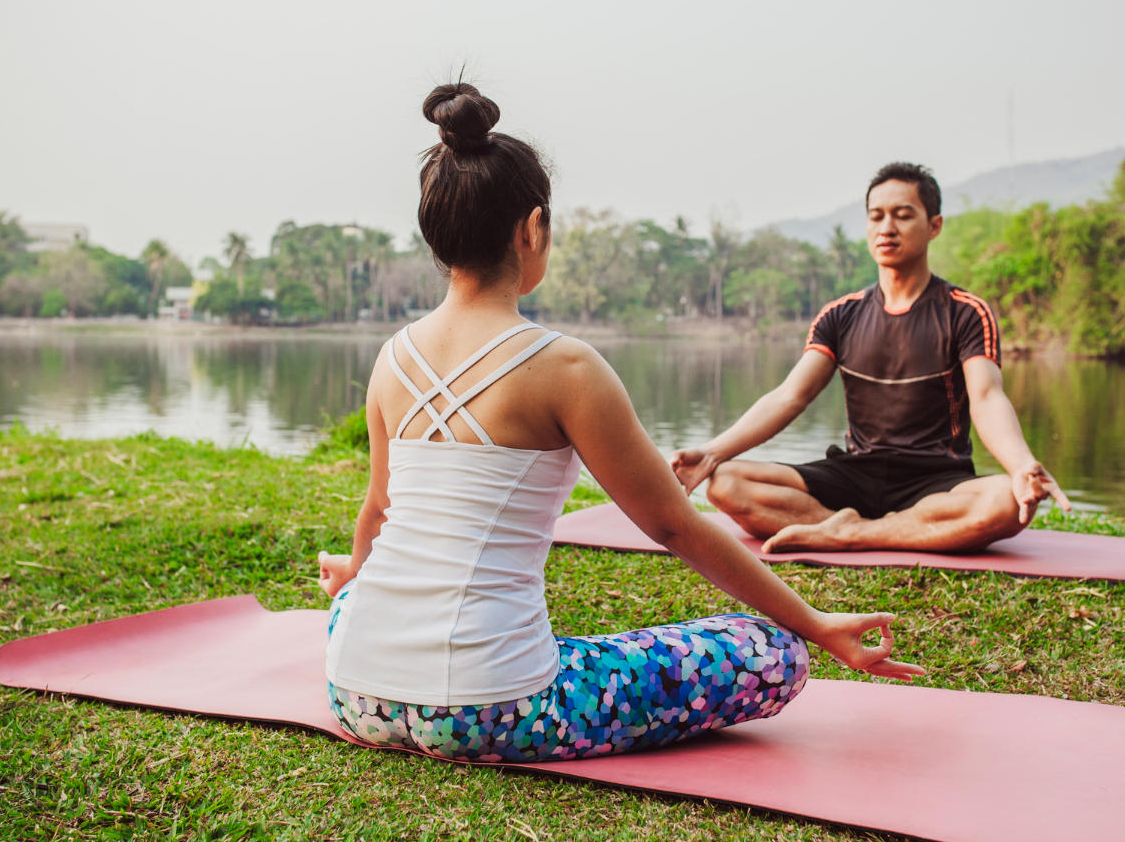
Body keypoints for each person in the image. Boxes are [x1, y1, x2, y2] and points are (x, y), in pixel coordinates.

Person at [316, 82, 924, 764]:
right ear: (533, 227)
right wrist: (814, 625)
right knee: (770, 652)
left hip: (355, 691)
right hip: (489, 708)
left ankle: (356, 596)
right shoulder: (566, 367)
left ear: (437, 234)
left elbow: (378, 508)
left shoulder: (391, 357)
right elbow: (673, 524)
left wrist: (359, 576)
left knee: (359, 596)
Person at [671, 162, 1070, 555]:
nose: (887, 228)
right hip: (854, 474)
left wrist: (1021, 465)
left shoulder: (965, 312)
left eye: (903, 215)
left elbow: (986, 397)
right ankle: (885, 530)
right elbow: (789, 396)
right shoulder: (840, 315)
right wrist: (712, 452)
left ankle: (849, 534)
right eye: (876, 216)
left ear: (934, 226)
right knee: (726, 483)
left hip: (935, 481)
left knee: (1005, 502)